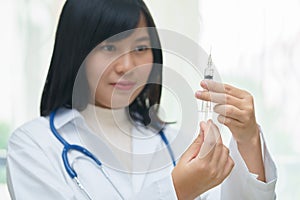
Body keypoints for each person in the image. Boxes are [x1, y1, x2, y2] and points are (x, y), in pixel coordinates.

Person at [6, 0, 277, 199]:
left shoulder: (174, 143)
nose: (127, 65)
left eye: (140, 48)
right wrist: (176, 192)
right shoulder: (33, 146)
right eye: (110, 47)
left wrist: (248, 139)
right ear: (77, 52)